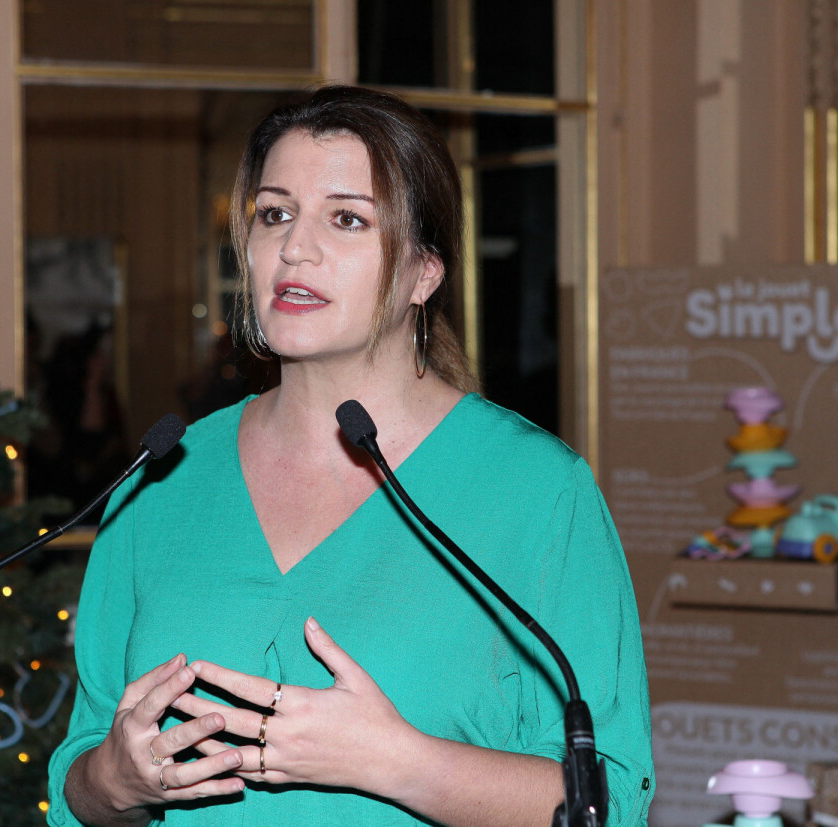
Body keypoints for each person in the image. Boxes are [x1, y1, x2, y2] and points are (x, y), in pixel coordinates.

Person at [47, 85, 654, 826]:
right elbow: (79, 781)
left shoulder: (538, 491)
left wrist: (397, 762)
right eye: (274, 214)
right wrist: (112, 781)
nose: (295, 248)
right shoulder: (163, 478)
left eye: (347, 218)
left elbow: (611, 802)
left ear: (423, 273)